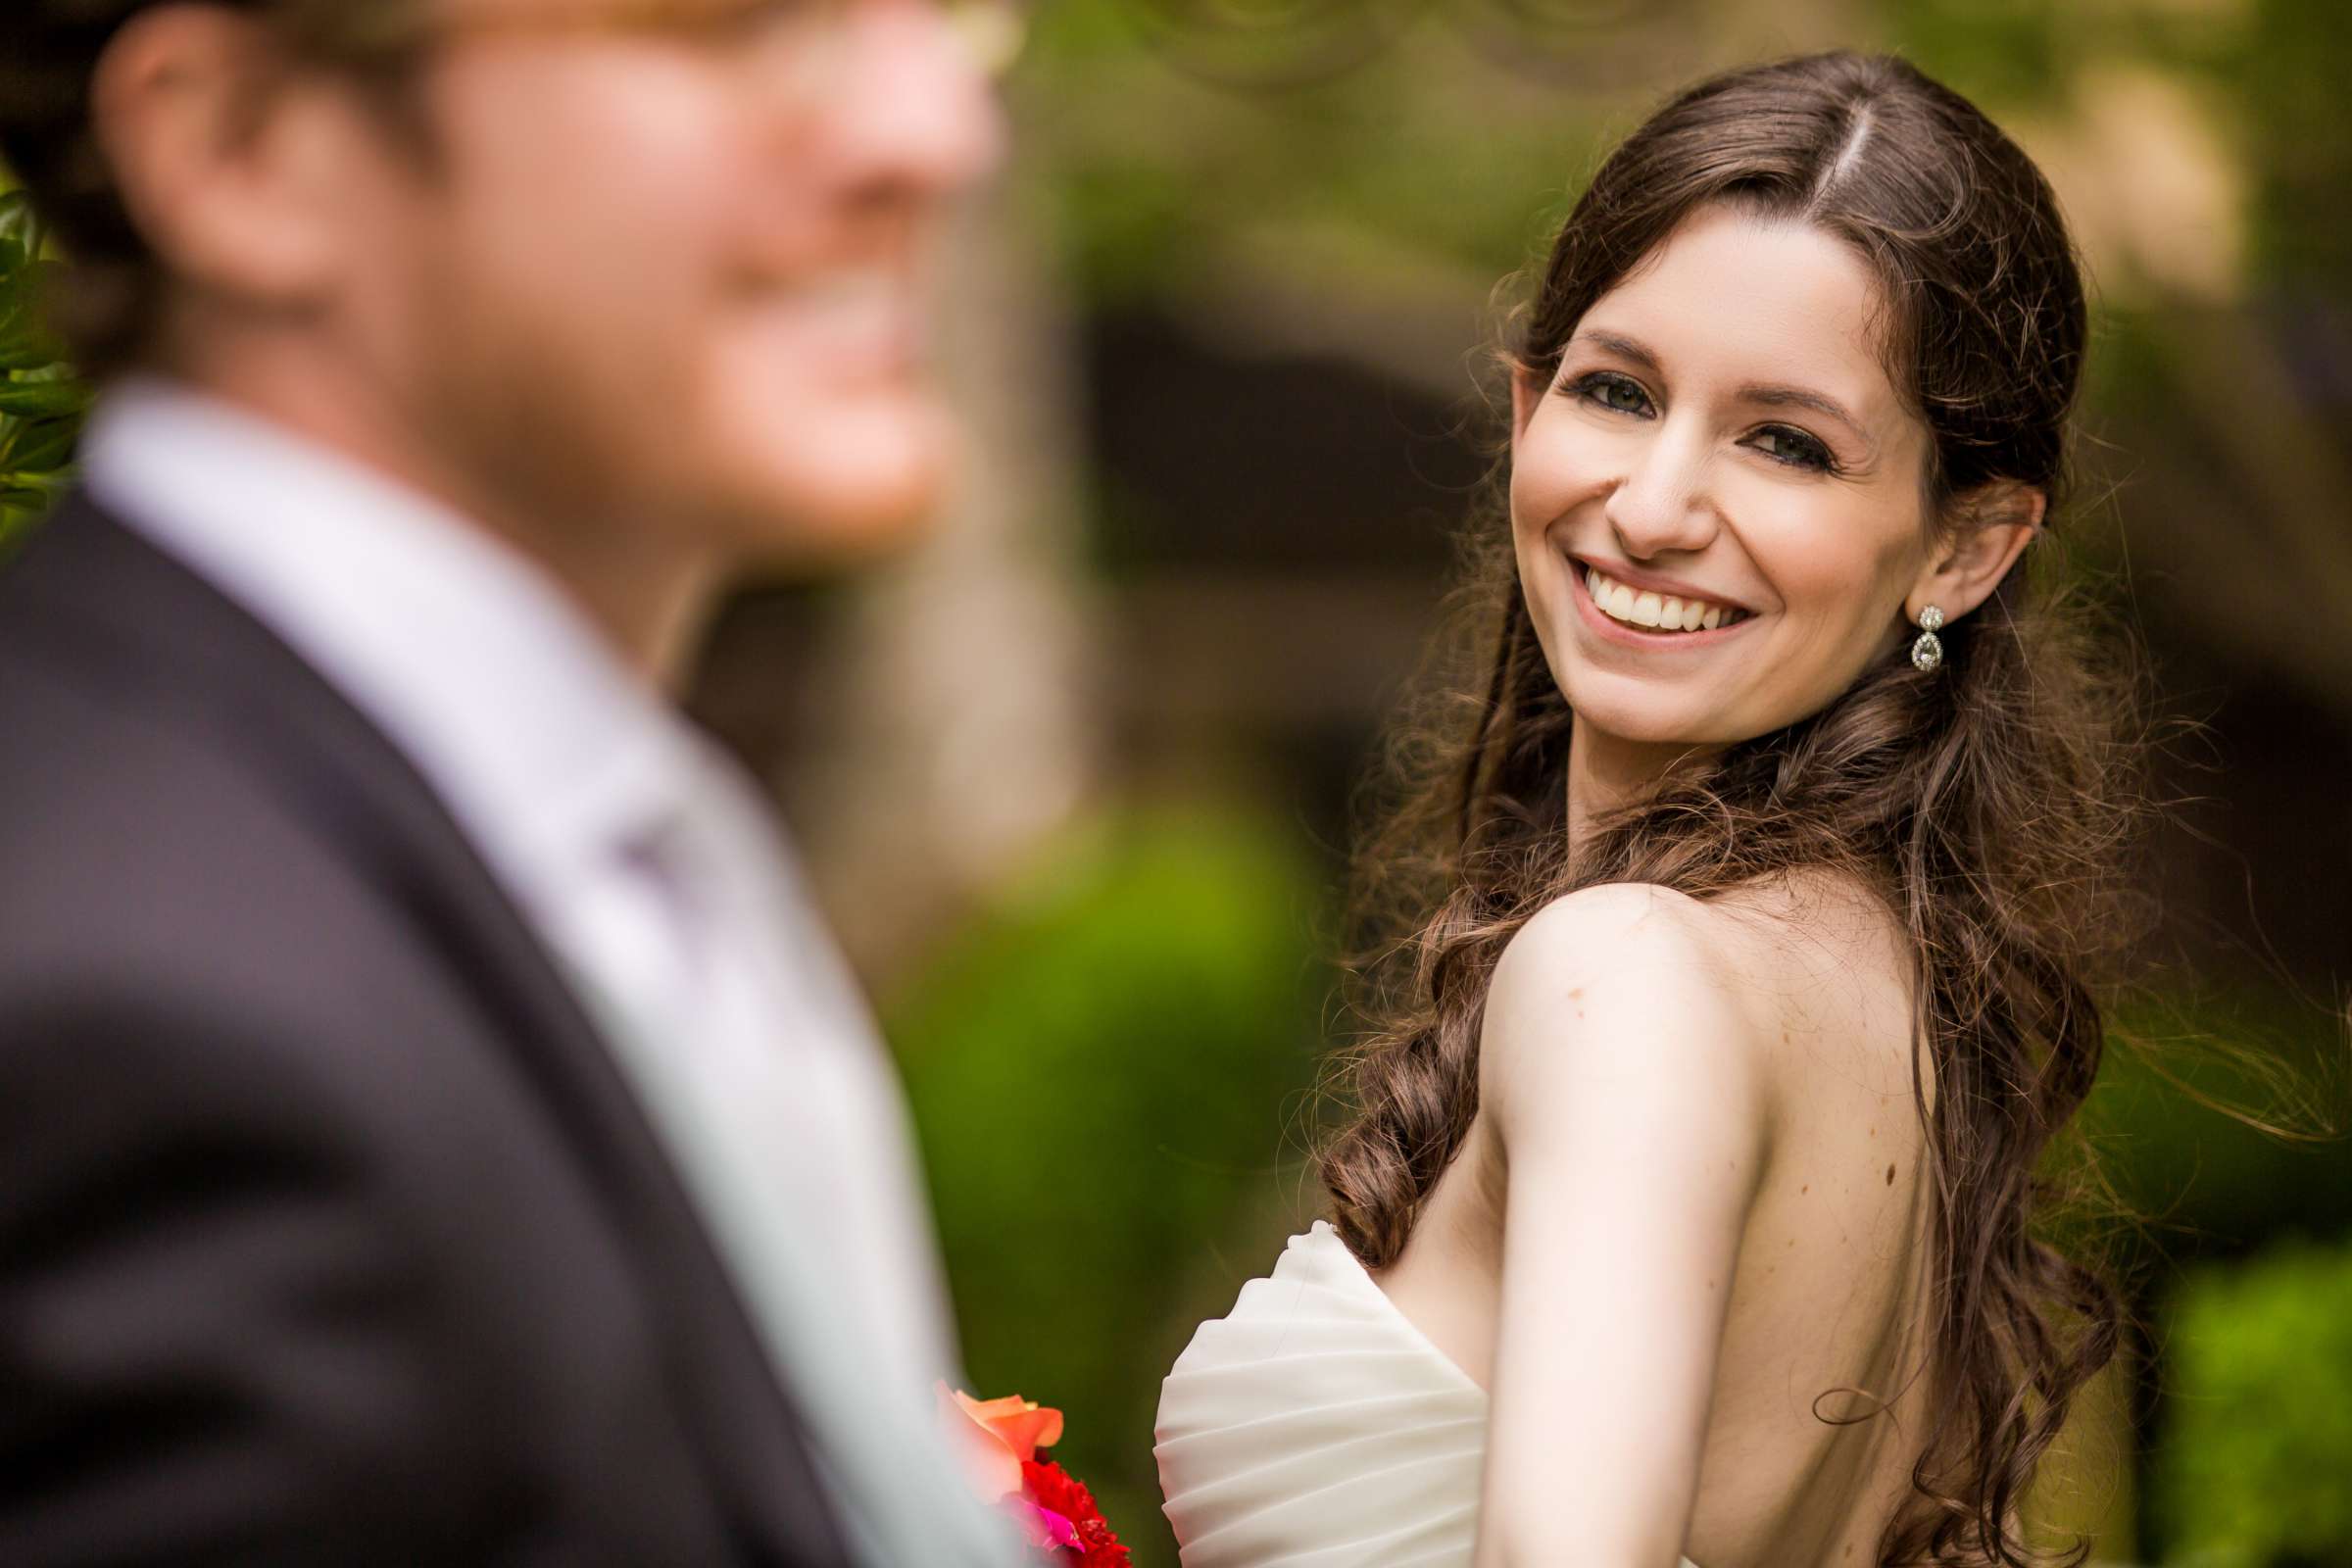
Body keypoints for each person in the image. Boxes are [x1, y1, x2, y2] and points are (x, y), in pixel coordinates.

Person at [0, 2, 1026, 1563]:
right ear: (243, 151)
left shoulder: (596, 849)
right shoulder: (126, 1002)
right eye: (739, 24)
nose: (935, 132)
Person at [1157, 51, 2137, 1568]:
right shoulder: (1885, 987)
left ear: (1966, 548)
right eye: (1618, 392)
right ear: (1524, 406)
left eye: (1786, 441)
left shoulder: (1629, 974)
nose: (1660, 504)